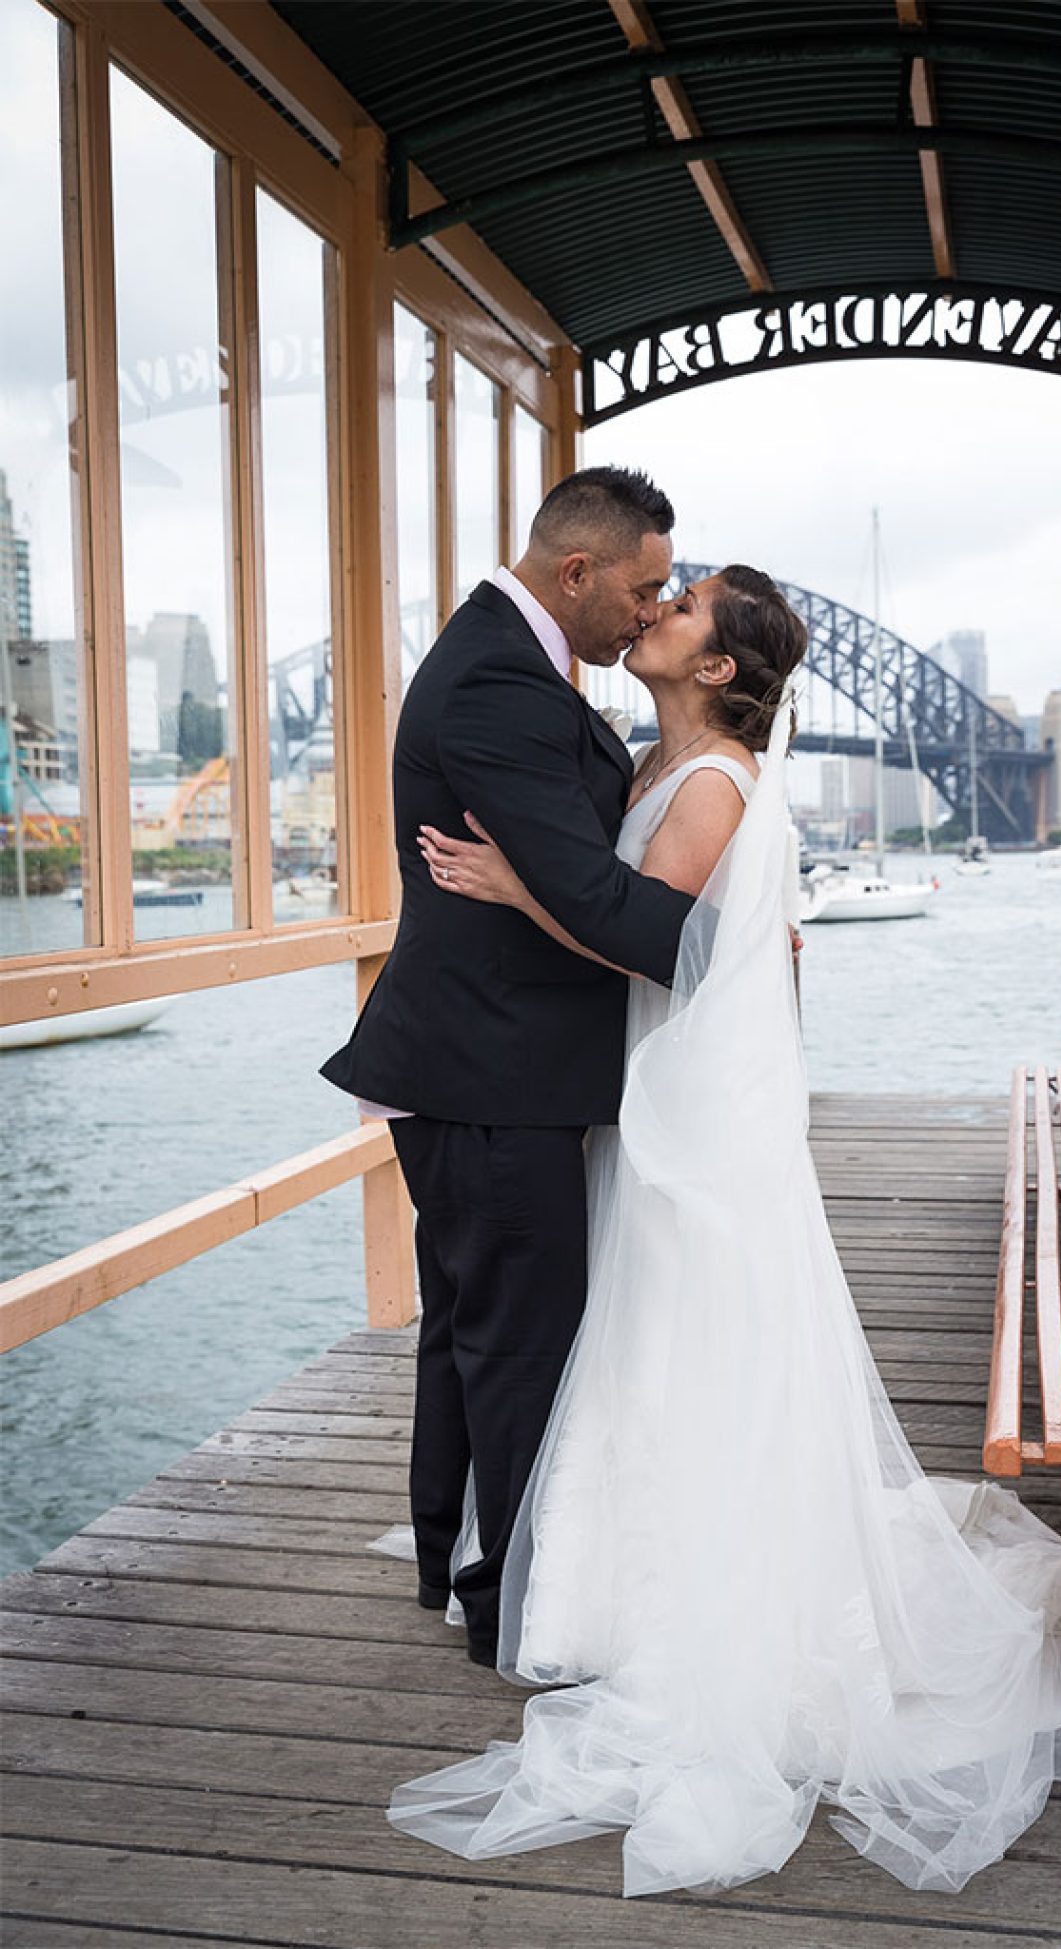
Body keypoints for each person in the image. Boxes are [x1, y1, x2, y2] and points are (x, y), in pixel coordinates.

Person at [383, 566, 1061, 1899]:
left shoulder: (708, 784)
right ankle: (622, 1555)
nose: (655, 613)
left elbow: (665, 942)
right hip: (672, 1081)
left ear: (723, 670)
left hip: (694, 1098)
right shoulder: (651, 766)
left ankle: (682, 1572)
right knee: (658, 1327)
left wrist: (519, 890)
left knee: (690, 1317)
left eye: (681, 608)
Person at [320, 467, 699, 1668]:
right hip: (491, 1070)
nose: (651, 612)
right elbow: (590, 894)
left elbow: (562, 867)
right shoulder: (495, 678)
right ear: (574, 572)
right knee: (518, 1339)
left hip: (485, 1064)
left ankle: (457, 1559)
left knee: (471, 1327)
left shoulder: (509, 660)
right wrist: (730, 948)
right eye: (640, 591)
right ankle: (517, 1611)